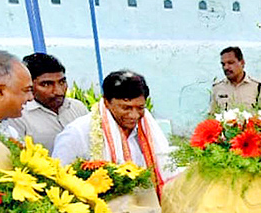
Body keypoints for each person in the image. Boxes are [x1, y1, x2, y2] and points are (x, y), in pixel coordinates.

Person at [52, 69, 176, 199]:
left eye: (140, 108)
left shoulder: (147, 129)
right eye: (126, 108)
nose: (134, 115)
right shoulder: (77, 133)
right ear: (106, 102)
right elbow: (59, 181)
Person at [3, 53, 89, 150]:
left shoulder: (78, 107)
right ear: (29, 85)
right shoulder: (18, 116)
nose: (58, 91)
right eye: (47, 84)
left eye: (62, 82)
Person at [211, 46, 261, 112]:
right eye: (223, 64)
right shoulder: (217, 88)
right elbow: (212, 117)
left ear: (242, 63)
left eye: (230, 63)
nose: (226, 67)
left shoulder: (258, 86)